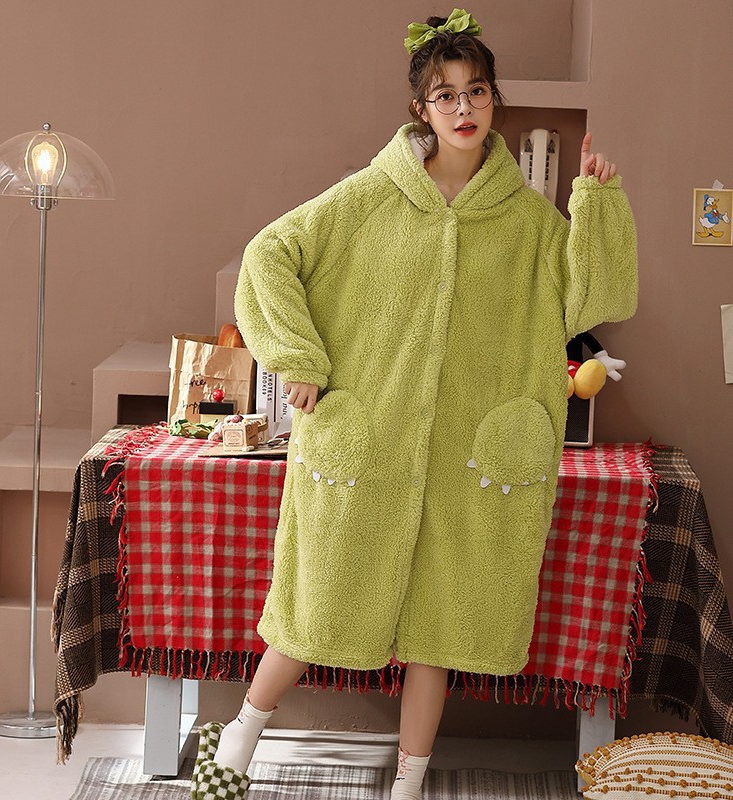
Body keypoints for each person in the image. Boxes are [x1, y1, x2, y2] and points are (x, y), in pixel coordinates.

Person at [200, 8, 638, 800]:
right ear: (421, 109)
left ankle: (408, 785)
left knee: (438, 632)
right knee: (311, 609)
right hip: (370, 443)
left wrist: (597, 207)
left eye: (477, 92)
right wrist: (299, 358)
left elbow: (594, 299)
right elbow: (270, 254)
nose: (464, 108)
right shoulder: (371, 196)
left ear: (494, 99)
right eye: (446, 95)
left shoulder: (530, 223)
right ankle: (237, 744)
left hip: (470, 457)